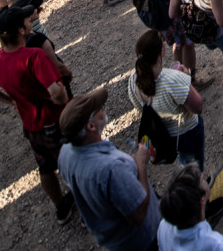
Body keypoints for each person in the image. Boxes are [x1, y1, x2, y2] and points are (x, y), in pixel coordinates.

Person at [0, 6, 77, 223]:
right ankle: (87, 205)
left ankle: (61, 207)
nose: (31, 22)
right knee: (73, 164)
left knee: (46, 167)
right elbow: (56, 93)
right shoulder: (34, 56)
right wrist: (58, 96)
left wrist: (10, 100)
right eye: (27, 22)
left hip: (31, 126)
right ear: (21, 31)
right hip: (54, 121)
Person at [56, 86, 160, 251]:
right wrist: (140, 164)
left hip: (114, 240)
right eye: (98, 108)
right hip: (143, 240)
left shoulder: (65, 153)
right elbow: (139, 214)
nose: (103, 107)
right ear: (90, 126)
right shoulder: (111, 169)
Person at [128, 29, 207, 168]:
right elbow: (197, 107)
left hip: (164, 133)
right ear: (161, 51)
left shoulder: (133, 79)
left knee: (185, 161)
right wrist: (186, 79)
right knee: (193, 162)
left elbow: (140, 107)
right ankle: (197, 181)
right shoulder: (173, 79)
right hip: (185, 131)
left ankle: (187, 172)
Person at [157, 163, 223, 251]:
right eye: (202, 179)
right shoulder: (215, 245)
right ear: (202, 199)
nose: (204, 174)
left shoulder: (163, 227)